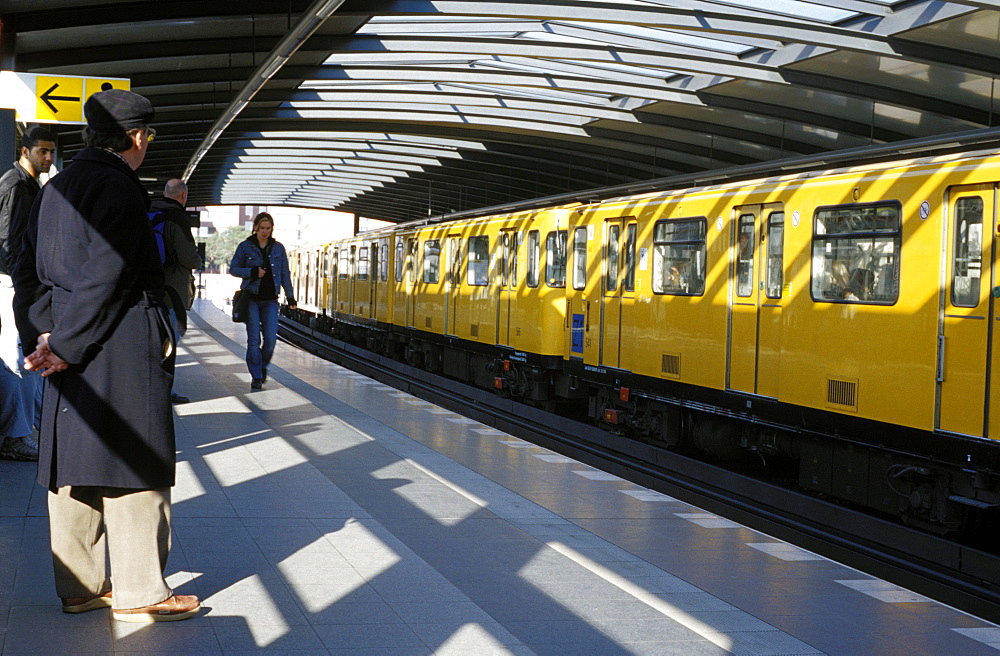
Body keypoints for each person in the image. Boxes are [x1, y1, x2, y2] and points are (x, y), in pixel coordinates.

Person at [12, 89, 200, 622]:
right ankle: (141, 591)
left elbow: (25, 271)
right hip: (116, 340)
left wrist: (46, 336)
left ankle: (80, 586)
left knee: (72, 461)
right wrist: (69, 343)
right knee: (134, 457)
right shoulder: (119, 187)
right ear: (137, 138)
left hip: (65, 337)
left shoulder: (55, 188)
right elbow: (109, 274)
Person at [0, 126, 55, 461]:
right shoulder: (18, 187)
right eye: (42, 152)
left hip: (14, 281)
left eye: (51, 152)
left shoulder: (25, 184)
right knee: (17, 357)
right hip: (11, 283)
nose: (48, 158)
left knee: (24, 356)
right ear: (25, 151)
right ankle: (16, 436)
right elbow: (10, 241)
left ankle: (31, 429)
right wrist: (24, 287)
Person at [229, 212, 296, 390]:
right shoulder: (245, 247)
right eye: (262, 228)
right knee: (253, 340)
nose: (265, 232)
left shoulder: (278, 248)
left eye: (268, 228)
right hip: (251, 298)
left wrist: (290, 296)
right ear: (256, 228)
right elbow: (233, 268)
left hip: (271, 300)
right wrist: (252, 272)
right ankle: (256, 375)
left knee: (271, 338)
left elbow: (284, 274)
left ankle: (262, 366)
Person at [148, 178, 201, 404]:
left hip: (147, 288)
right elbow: (189, 259)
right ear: (183, 197)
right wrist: (197, 258)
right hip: (172, 293)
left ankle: (148, 386)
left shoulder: (147, 211)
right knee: (170, 340)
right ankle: (163, 390)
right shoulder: (179, 218)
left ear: (164, 193)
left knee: (152, 338)